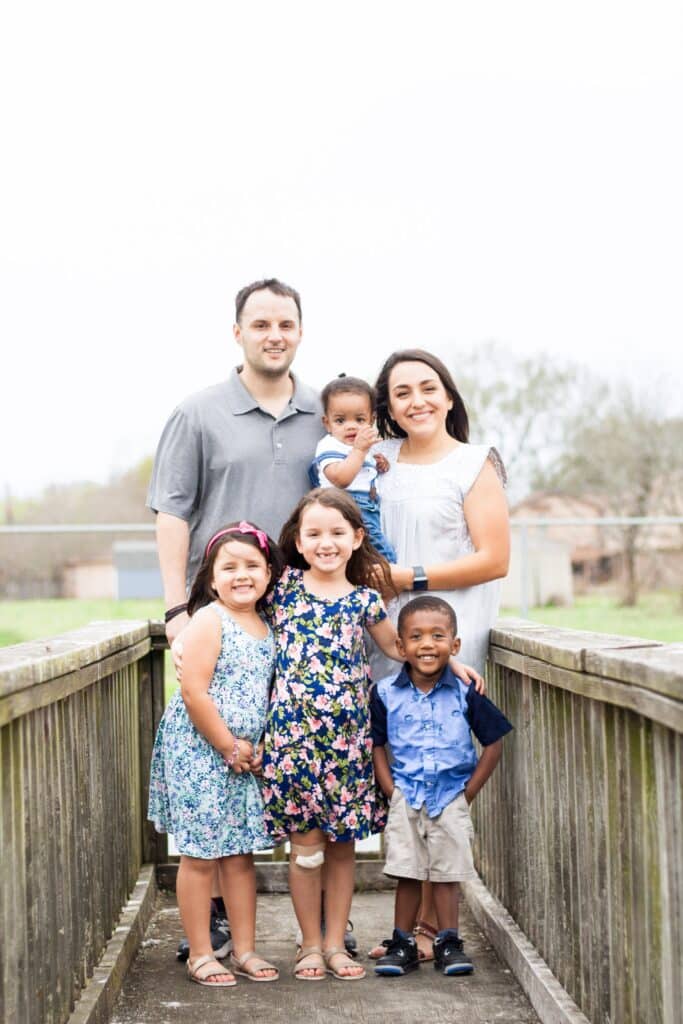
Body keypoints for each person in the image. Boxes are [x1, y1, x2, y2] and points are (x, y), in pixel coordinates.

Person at [147, 277, 321, 958]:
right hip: (218, 613)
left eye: (285, 323)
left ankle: (310, 931)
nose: (273, 334)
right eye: (260, 324)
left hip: (296, 621)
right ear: (238, 333)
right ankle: (212, 924)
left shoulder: (323, 414)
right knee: (217, 759)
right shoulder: (198, 413)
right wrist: (175, 610)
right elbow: (172, 513)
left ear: (299, 331)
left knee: (276, 763)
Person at [260, 489, 482, 982]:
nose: (326, 543)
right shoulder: (282, 590)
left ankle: (338, 944)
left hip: (349, 742)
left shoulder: (365, 600)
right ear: (297, 541)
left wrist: (452, 662)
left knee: (341, 848)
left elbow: (404, 650)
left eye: (338, 533)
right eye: (314, 533)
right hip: (293, 743)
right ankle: (310, 946)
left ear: (357, 538)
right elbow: (232, 611)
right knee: (306, 849)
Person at [367, 348, 510, 961]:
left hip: (450, 640)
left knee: (443, 775)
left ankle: (429, 928)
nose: (417, 400)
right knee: (400, 777)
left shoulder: (474, 463)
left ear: (449, 397)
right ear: (389, 408)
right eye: (402, 392)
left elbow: (493, 557)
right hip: (384, 644)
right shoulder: (379, 465)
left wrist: (411, 579)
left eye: (429, 387)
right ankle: (408, 927)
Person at [148, 521, 286, 986]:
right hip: (201, 751)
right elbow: (194, 693)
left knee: (240, 855)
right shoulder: (209, 619)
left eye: (252, 565)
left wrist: (257, 747)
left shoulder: (266, 625)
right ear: (211, 578)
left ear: (269, 574)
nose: (241, 574)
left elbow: (266, 695)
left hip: (242, 755)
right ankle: (201, 953)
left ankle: (244, 949)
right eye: (229, 567)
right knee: (201, 855)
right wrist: (228, 746)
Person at [370, 596, 512, 977]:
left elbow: (494, 743)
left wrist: (466, 794)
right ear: (401, 647)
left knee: (447, 874)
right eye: (415, 637)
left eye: (437, 636)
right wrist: (391, 790)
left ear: (455, 645)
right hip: (407, 794)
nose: (427, 644)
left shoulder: (466, 692)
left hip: (450, 796)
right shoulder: (385, 693)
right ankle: (403, 944)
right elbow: (376, 745)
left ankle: (448, 941)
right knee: (408, 872)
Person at [308, 375, 396, 561]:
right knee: (384, 554)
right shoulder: (329, 445)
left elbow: (363, 471)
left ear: (371, 420)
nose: (351, 427)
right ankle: (393, 579)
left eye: (359, 420)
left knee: (361, 557)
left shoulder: (363, 447)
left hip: (369, 506)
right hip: (345, 504)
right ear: (327, 423)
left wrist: (377, 463)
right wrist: (360, 450)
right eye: (340, 421)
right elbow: (341, 478)